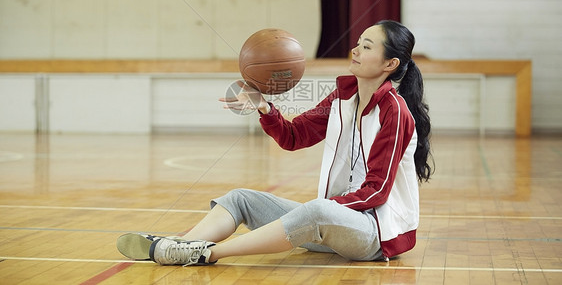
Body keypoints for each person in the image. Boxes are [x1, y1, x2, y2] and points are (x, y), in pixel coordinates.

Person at [116, 20, 432, 266]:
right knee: (240, 198)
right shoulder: (342, 99)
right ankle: (177, 246)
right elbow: (294, 137)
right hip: (333, 224)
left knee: (317, 210)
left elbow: (376, 190)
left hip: (374, 236)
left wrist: (321, 210)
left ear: (390, 64)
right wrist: (264, 107)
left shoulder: (395, 111)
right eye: (358, 43)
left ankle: (208, 254)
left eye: (366, 46)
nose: (356, 50)